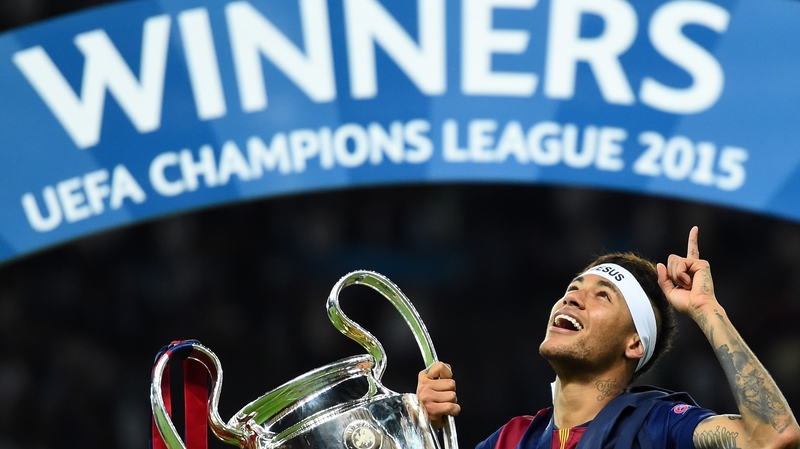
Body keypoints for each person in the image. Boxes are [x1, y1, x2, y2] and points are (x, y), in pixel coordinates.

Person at [417, 227, 800, 449]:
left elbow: (775, 437)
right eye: (572, 287)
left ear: (634, 343)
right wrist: (424, 429)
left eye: (603, 295)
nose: (572, 297)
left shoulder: (660, 426)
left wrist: (707, 310)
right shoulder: (513, 438)